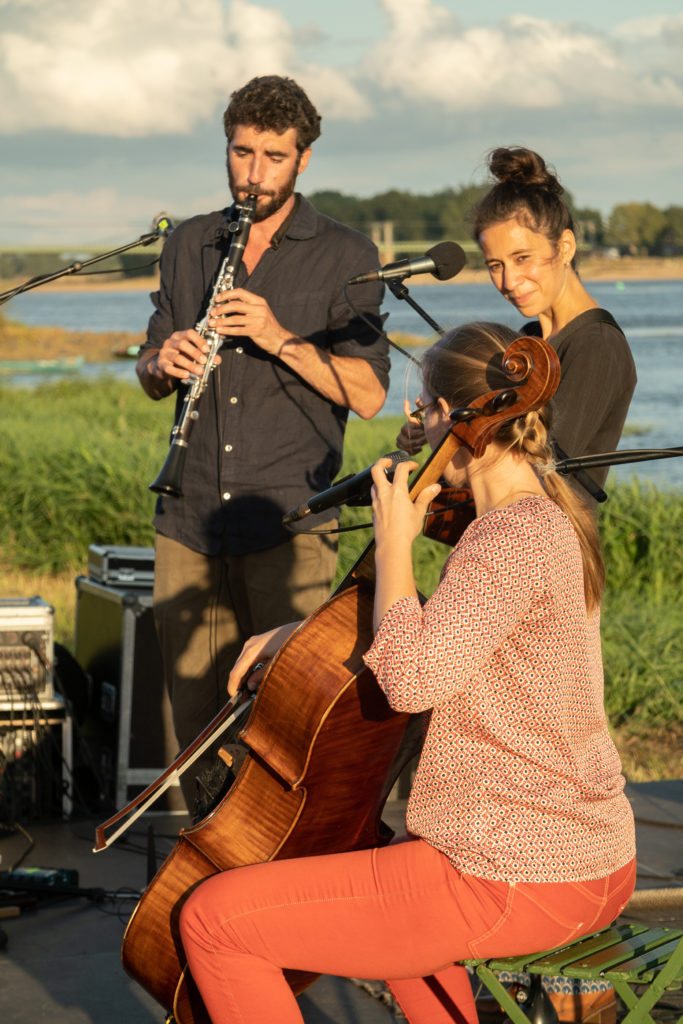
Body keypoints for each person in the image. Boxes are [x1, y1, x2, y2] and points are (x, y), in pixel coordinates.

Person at [178, 321, 636, 1024]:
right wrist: (305, 635)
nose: (416, 424)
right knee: (393, 904)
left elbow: (411, 680)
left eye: (424, 407)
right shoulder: (543, 519)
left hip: (516, 871)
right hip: (582, 859)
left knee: (214, 919)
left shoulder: (507, 537)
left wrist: (395, 541)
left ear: (455, 416)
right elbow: (452, 634)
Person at [135, 75, 390, 810]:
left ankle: (285, 864)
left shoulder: (346, 254)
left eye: (273, 157)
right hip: (187, 518)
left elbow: (369, 394)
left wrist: (278, 337)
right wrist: (163, 361)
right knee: (196, 725)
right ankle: (209, 862)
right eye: (241, 153)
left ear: (303, 159)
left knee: (287, 722)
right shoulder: (189, 243)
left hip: (289, 521)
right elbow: (149, 370)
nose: (254, 173)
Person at [398, 147, 637, 504]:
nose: (508, 281)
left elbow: (542, 469)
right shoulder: (528, 341)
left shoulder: (596, 344)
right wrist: (435, 424)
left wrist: (450, 437)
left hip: (546, 534)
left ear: (565, 247)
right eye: (495, 265)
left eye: (522, 258)